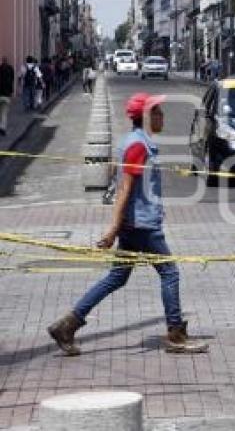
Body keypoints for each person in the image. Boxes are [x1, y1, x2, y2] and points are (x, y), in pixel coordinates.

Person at [47, 93, 209, 356]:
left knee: (117, 277)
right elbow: (124, 188)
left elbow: (118, 176)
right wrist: (112, 229)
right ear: (146, 116)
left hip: (134, 224)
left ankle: (67, 325)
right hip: (142, 225)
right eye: (157, 111)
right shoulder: (138, 146)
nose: (162, 116)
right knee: (170, 273)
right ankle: (175, 333)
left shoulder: (135, 143)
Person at [0, 57, 14, 136]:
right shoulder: (10, 69)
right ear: (7, 61)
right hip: (6, 94)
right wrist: (11, 93)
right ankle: (3, 128)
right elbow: (12, 81)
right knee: (4, 113)